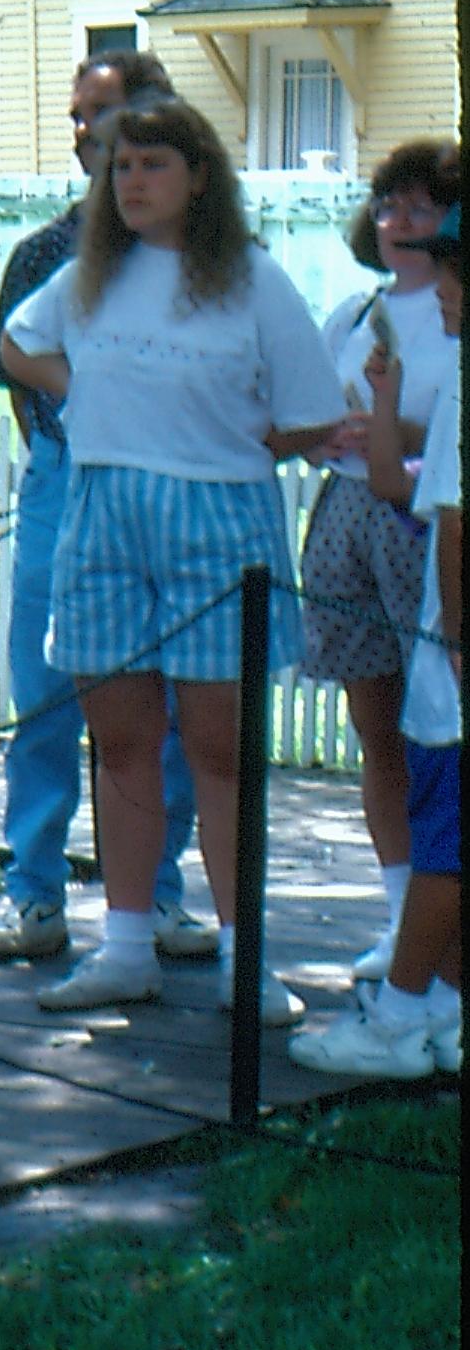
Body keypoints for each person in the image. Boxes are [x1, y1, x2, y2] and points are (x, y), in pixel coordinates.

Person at [0, 94, 345, 1029]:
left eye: (154, 164)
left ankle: (246, 960)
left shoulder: (253, 279)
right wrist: (93, 403)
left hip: (218, 522)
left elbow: (311, 416)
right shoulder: (89, 275)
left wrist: (222, 445)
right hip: (103, 513)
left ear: (199, 176)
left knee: (219, 752)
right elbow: (19, 346)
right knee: (119, 739)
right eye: (122, 167)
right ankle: (123, 950)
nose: (134, 181)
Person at [0, 50, 207, 970]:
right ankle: (34, 895)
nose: (82, 132)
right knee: (43, 696)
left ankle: (154, 901)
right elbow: (19, 384)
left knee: (169, 702)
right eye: (75, 115)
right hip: (64, 481)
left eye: (98, 113)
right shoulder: (42, 255)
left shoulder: (203, 255)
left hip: (169, 482)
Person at [294, 197, 465, 1077]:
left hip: (449, 654)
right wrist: (383, 406)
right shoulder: (362, 321)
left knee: (446, 837)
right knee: (435, 812)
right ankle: (438, 994)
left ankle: (402, 1015)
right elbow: (396, 478)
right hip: (383, 537)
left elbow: (449, 517)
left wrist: (456, 645)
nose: (439, 289)